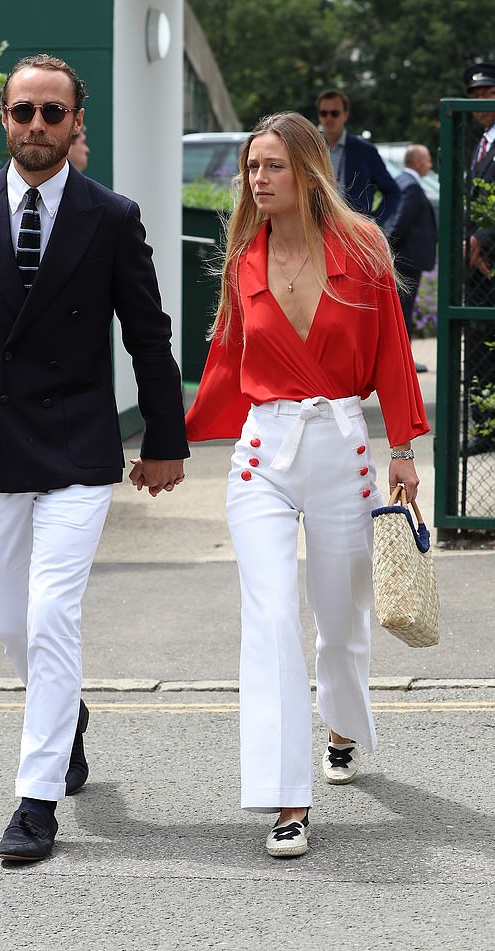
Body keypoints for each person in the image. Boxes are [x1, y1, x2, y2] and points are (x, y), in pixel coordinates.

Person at [0, 53, 188, 862]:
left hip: (78, 445)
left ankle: (35, 800)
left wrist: (165, 439)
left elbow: (147, 332)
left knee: (52, 613)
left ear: (75, 124)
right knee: (12, 623)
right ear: (4, 116)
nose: (36, 126)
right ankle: (70, 715)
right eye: (23, 111)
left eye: (52, 114)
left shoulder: (111, 214)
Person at [185, 112, 428, 858]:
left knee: (340, 617)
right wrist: (172, 441)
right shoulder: (241, 260)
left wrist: (405, 447)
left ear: (309, 171)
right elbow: (226, 361)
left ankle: (343, 723)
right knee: (269, 622)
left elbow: (390, 347)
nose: (257, 179)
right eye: (251, 167)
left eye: (273, 167)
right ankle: (288, 796)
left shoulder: (362, 248)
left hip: (342, 448)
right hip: (262, 455)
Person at [463, 62, 495, 454]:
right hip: (478, 269)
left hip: (488, 257)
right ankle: (484, 428)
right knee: (477, 350)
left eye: (488, 93)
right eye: (475, 96)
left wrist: (482, 240)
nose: (481, 102)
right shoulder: (479, 142)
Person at [317, 88, 400, 231]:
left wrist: (375, 223)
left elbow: (392, 192)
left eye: (335, 113)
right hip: (318, 229)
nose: (329, 118)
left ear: (345, 115)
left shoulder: (364, 151)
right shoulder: (311, 149)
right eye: (324, 113)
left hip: (353, 232)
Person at [390, 144, 437, 373]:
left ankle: (401, 358)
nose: (430, 164)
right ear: (417, 162)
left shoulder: (401, 182)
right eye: (427, 160)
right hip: (406, 261)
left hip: (403, 260)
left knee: (400, 310)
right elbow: (400, 223)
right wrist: (389, 250)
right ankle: (404, 361)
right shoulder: (411, 186)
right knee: (404, 311)